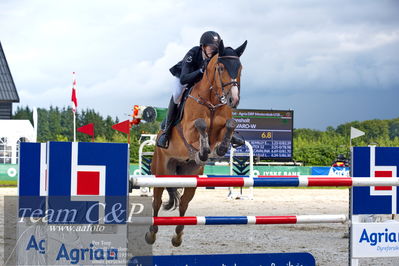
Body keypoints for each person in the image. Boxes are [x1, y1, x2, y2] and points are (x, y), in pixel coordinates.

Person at [156, 31, 245, 149]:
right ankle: (166, 131)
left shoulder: (216, 57)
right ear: (203, 47)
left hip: (202, 82)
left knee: (221, 94)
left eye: (216, 48)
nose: (214, 51)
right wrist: (200, 71)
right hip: (185, 77)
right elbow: (184, 79)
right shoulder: (193, 53)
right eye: (211, 47)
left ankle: (230, 132)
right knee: (177, 95)